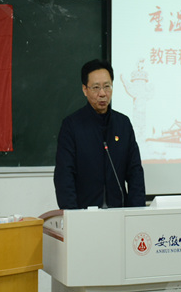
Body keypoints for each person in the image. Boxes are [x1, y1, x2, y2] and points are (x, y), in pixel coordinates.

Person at [54, 59, 146, 209]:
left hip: (119, 211)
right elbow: (64, 175)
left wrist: (135, 212)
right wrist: (73, 215)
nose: (102, 93)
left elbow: (135, 172)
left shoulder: (123, 124)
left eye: (107, 86)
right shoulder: (72, 126)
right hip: (84, 213)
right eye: (96, 88)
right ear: (85, 89)